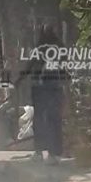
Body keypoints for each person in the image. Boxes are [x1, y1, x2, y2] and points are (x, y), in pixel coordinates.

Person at [27, 26, 67, 165]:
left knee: (50, 121)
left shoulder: (46, 46)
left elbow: (64, 66)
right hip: (44, 89)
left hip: (50, 89)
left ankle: (50, 153)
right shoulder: (49, 46)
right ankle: (44, 152)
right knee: (44, 121)